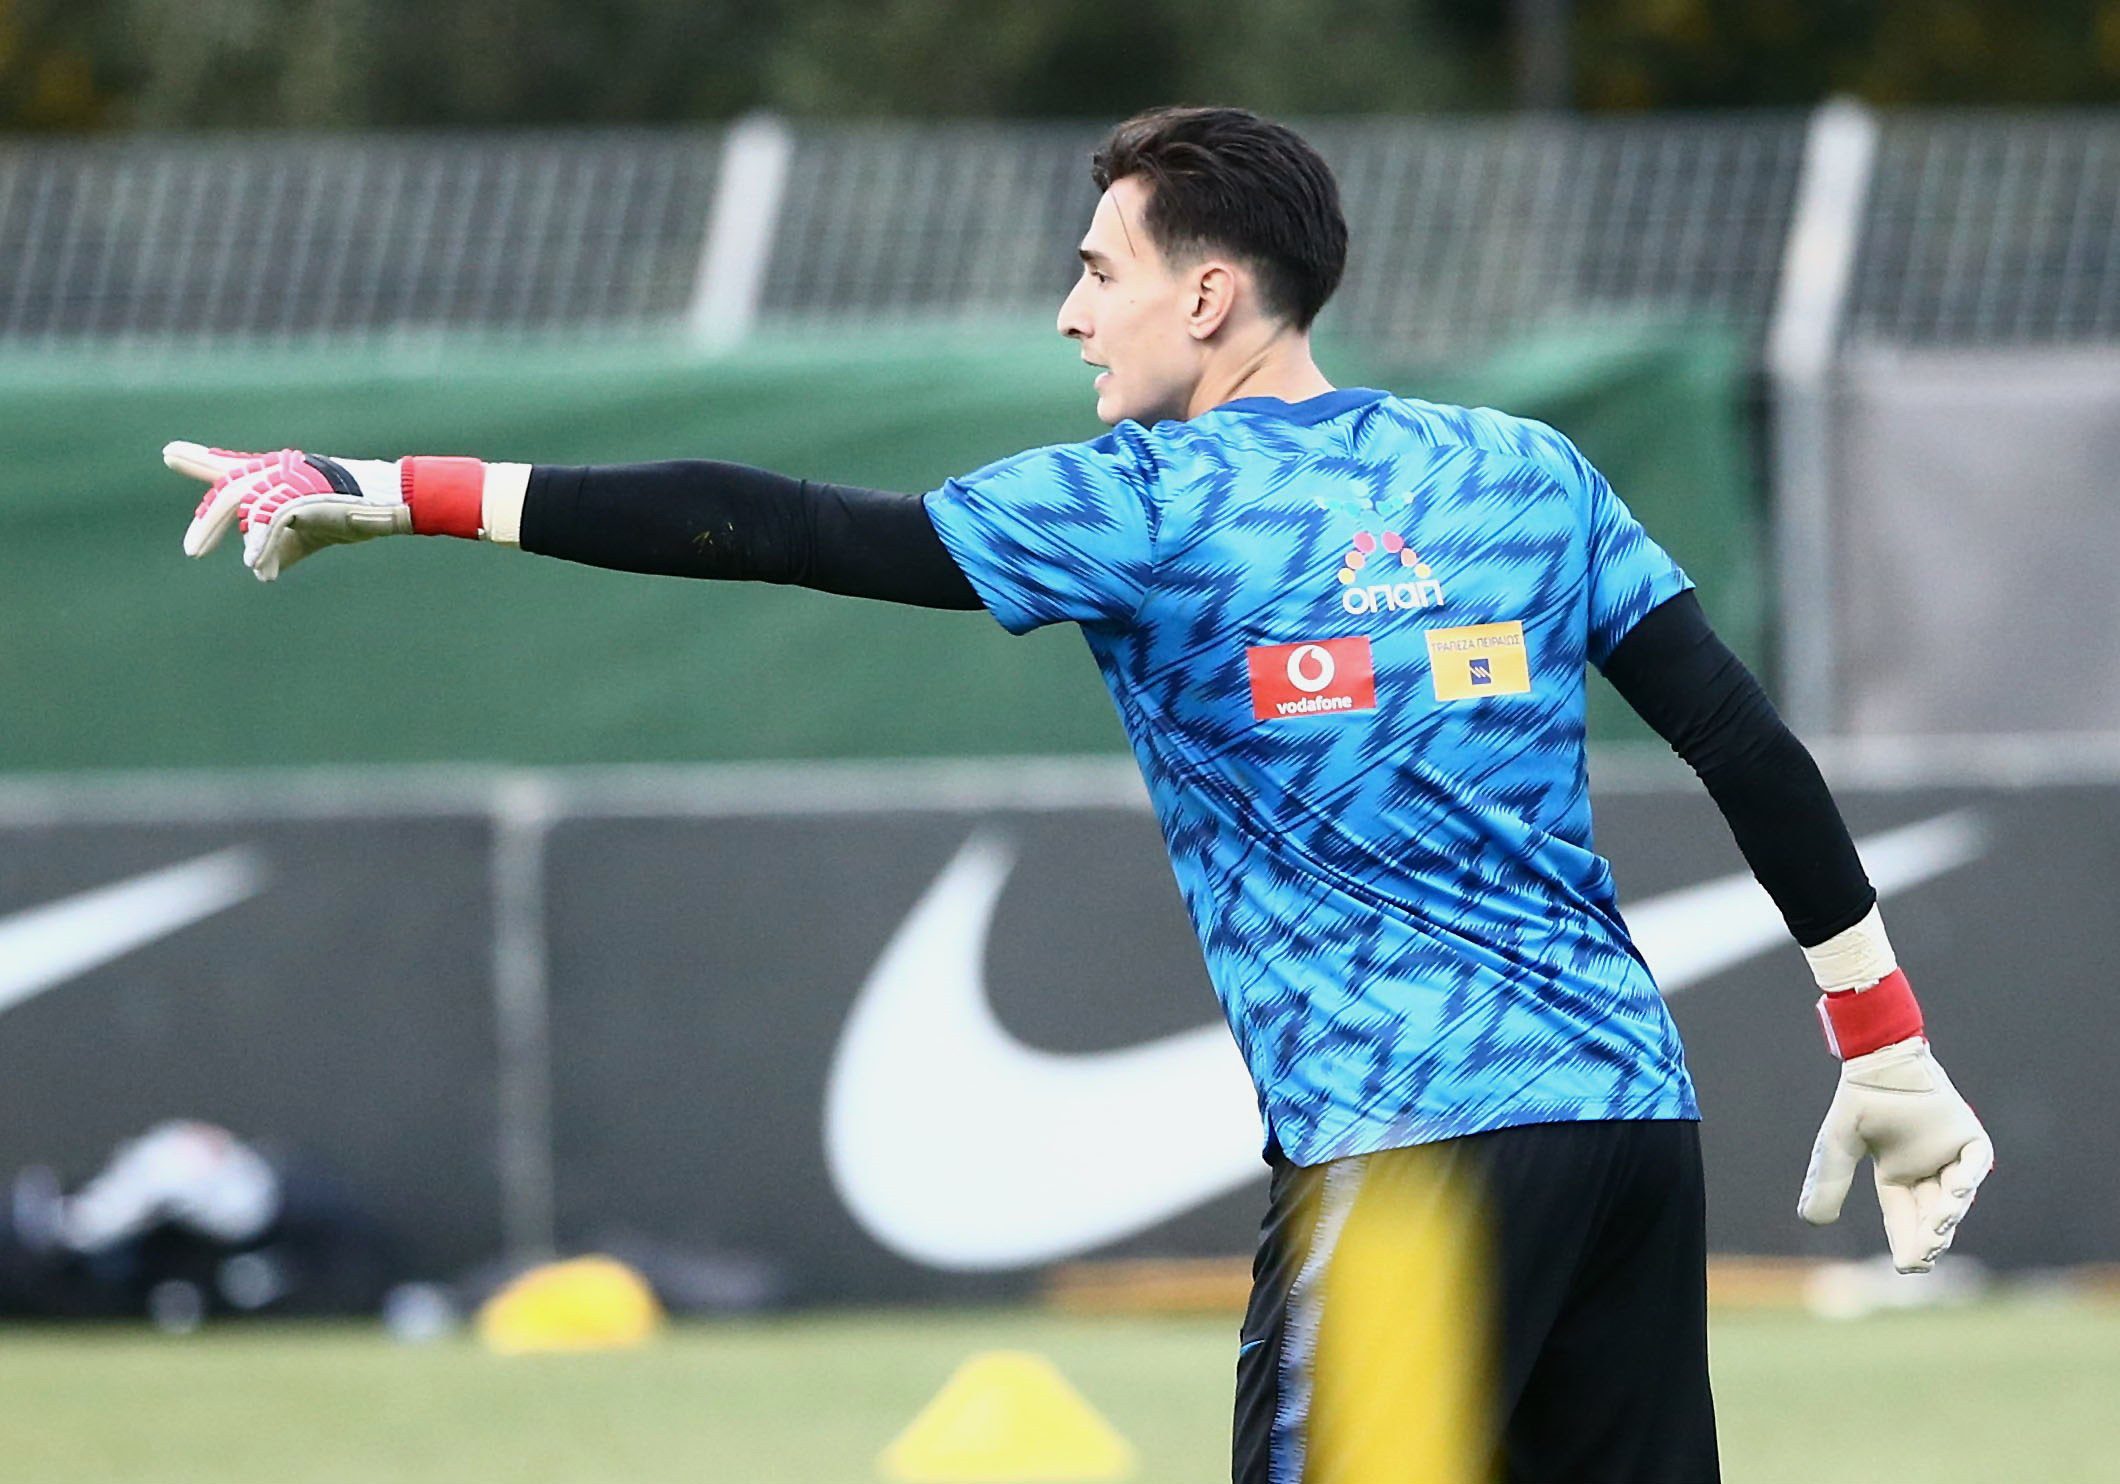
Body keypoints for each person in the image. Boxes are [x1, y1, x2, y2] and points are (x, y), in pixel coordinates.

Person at [168, 106, 1991, 1483]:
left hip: (1407, 1161)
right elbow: (1744, 742)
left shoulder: (1150, 506)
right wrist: (1883, 1038)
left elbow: (776, 527)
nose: (1070, 314)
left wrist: (404, 487)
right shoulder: (1527, 473)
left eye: (1099, 272)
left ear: (1209, 294)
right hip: (1626, 1131)